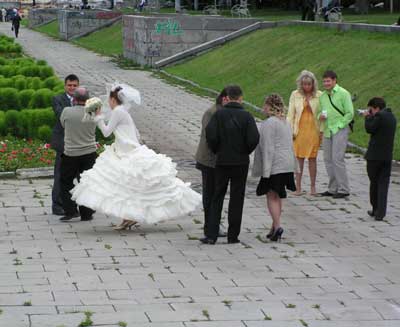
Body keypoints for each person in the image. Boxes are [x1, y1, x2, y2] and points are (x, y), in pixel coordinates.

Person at [70, 83, 201, 230]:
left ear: (113, 100)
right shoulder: (122, 111)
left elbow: (106, 132)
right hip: (122, 151)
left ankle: (130, 217)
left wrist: (98, 117)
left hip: (128, 153)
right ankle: (128, 217)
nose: (108, 102)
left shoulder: (118, 112)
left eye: (109, 99)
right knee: (126, 187)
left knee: (129, 185)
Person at [201, 85, 260, 245]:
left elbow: (210, 135)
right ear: (240, 98)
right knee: (236, 197)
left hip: (222, 161)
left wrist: (217, 149)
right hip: (240, 162)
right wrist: (245, 151)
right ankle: (233, 235)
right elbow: (254, 138)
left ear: (228, 97)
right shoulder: (247, 116)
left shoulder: (219, 115)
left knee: (217, 196)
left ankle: (211, 234)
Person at [253, 94, 297, 242]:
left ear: (270, 107)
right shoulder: (285, 122)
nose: (262, 108)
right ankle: (273, 226)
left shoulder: (269, 123)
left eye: (264, 105)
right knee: (278, 194)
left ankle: (277, 226)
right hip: (287, 164)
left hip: (275, 165)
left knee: (271, 195)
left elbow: (268, 147)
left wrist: (265, 170)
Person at [59, 87, 97, 222]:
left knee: (66, 181)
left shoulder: (67, 111)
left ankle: (71, 211)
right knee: (86, 182)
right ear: (88, 99)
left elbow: (63, 124)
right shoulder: (93, 113)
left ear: (74, 99)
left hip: (71, 153)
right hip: (89, 153)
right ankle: (87, 213)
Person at [195, 88, 228, 238]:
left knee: (216, 193)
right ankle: (210, 224)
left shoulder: (221, 112)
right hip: (209, 160)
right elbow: (210, 137)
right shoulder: (212, 113)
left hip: (217, 159)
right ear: (224, 99)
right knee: (210, 193)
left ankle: (214, 223)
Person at [318, 70, 354, 199]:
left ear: (334, 80)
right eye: (324, 81)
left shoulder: (344, 94)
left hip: (340, 129)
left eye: (328, 81)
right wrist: (320, 116)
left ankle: (344, 189)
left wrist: (339, 125)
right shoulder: (322, 96)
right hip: (327, 130)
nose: (326, 83)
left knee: (337, 159)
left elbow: (350, 113)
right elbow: (320, 111)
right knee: (327, 159)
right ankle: (332, 188)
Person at [287, 70, 322, 196]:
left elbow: (323, 112)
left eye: (309, 84)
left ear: (313, 84)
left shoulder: (319, 95)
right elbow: (290, 114)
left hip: (313, 129)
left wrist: (322, 128)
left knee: (312, 158)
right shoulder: (295, 94)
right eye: (304, 84)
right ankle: (298, 187)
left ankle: (313, 187)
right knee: (299, 158)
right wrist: (289, 130)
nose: (306, 87)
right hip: (299, 129)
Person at [362, 97, 397, 221]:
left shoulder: (379, 116)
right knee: (383, 184)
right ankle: (381, 212)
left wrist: (367, 117)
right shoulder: (392, 117)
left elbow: (370, 129)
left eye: (371, 109)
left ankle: (375, 208)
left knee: (374, 183)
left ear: (376, 108)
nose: (370, 111)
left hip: (374, 156)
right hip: (387, 156)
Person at [50, 74, 79, 216]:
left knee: (82, 175)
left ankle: (84, 204)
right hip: (63, 142)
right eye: (69, 85)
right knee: (60, 174)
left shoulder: (83, 99)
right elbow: (61, 115)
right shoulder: (58, 99)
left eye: (75, 85)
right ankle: (57, 206)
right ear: (65, 85)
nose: (72, 88)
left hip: (79, 143)